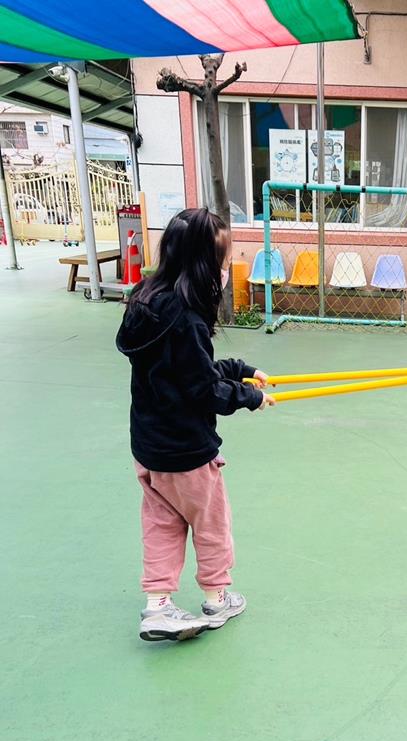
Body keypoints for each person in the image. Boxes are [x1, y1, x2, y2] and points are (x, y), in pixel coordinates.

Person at [116, 208, 275, 642]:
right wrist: (250, 398)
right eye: (224, 261)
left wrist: (240, 370)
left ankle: (158, 605)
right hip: (187, 452)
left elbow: (182, 371)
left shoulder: (147, 301)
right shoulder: (187, 319)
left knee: (162, 524)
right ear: (204, 265)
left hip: (149, 449)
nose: (227, 269)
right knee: (211, 525)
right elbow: (203, 389)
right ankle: (217, 598)